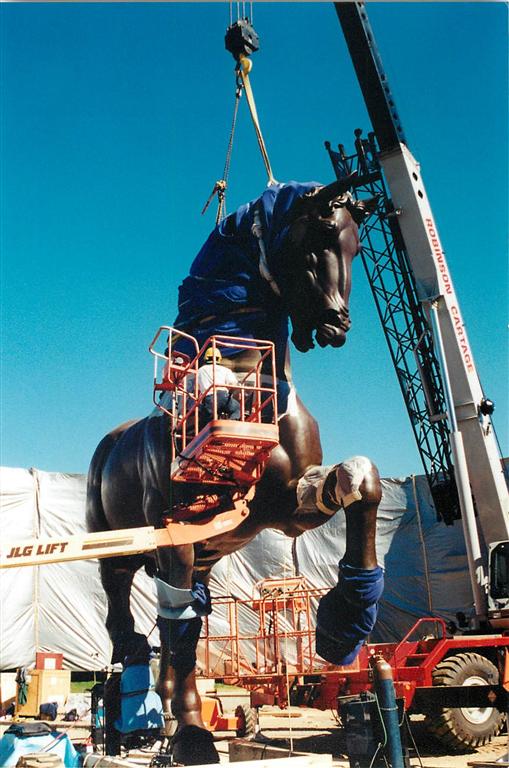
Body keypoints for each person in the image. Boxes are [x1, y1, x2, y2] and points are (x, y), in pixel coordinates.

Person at [197, 347, 240, 423]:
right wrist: (231, 393)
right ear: (219, 358)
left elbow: (196, 387)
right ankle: (231, 423)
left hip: (208, 398)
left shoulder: (200, 370)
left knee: (207, 419)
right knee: (236, 409)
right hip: (223, 396)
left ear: (206, 358)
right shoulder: (225, 370)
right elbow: (233, 384)